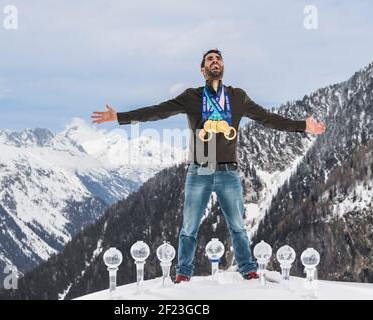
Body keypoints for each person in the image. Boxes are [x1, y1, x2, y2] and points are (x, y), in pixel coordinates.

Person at [91, 49, 326, 282]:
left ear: (222, 67)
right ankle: (183, 273)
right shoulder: (191, 97)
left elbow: (268, 118)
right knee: (189, 227)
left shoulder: (237, 97)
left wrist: (302, 126)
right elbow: (158, 111)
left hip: (228, 172)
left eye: (218, 59)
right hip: (199, 171)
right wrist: (119, 117)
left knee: (237, 226)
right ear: (203, 70)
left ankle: (248, 269)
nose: (215, 62)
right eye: (210, 60)